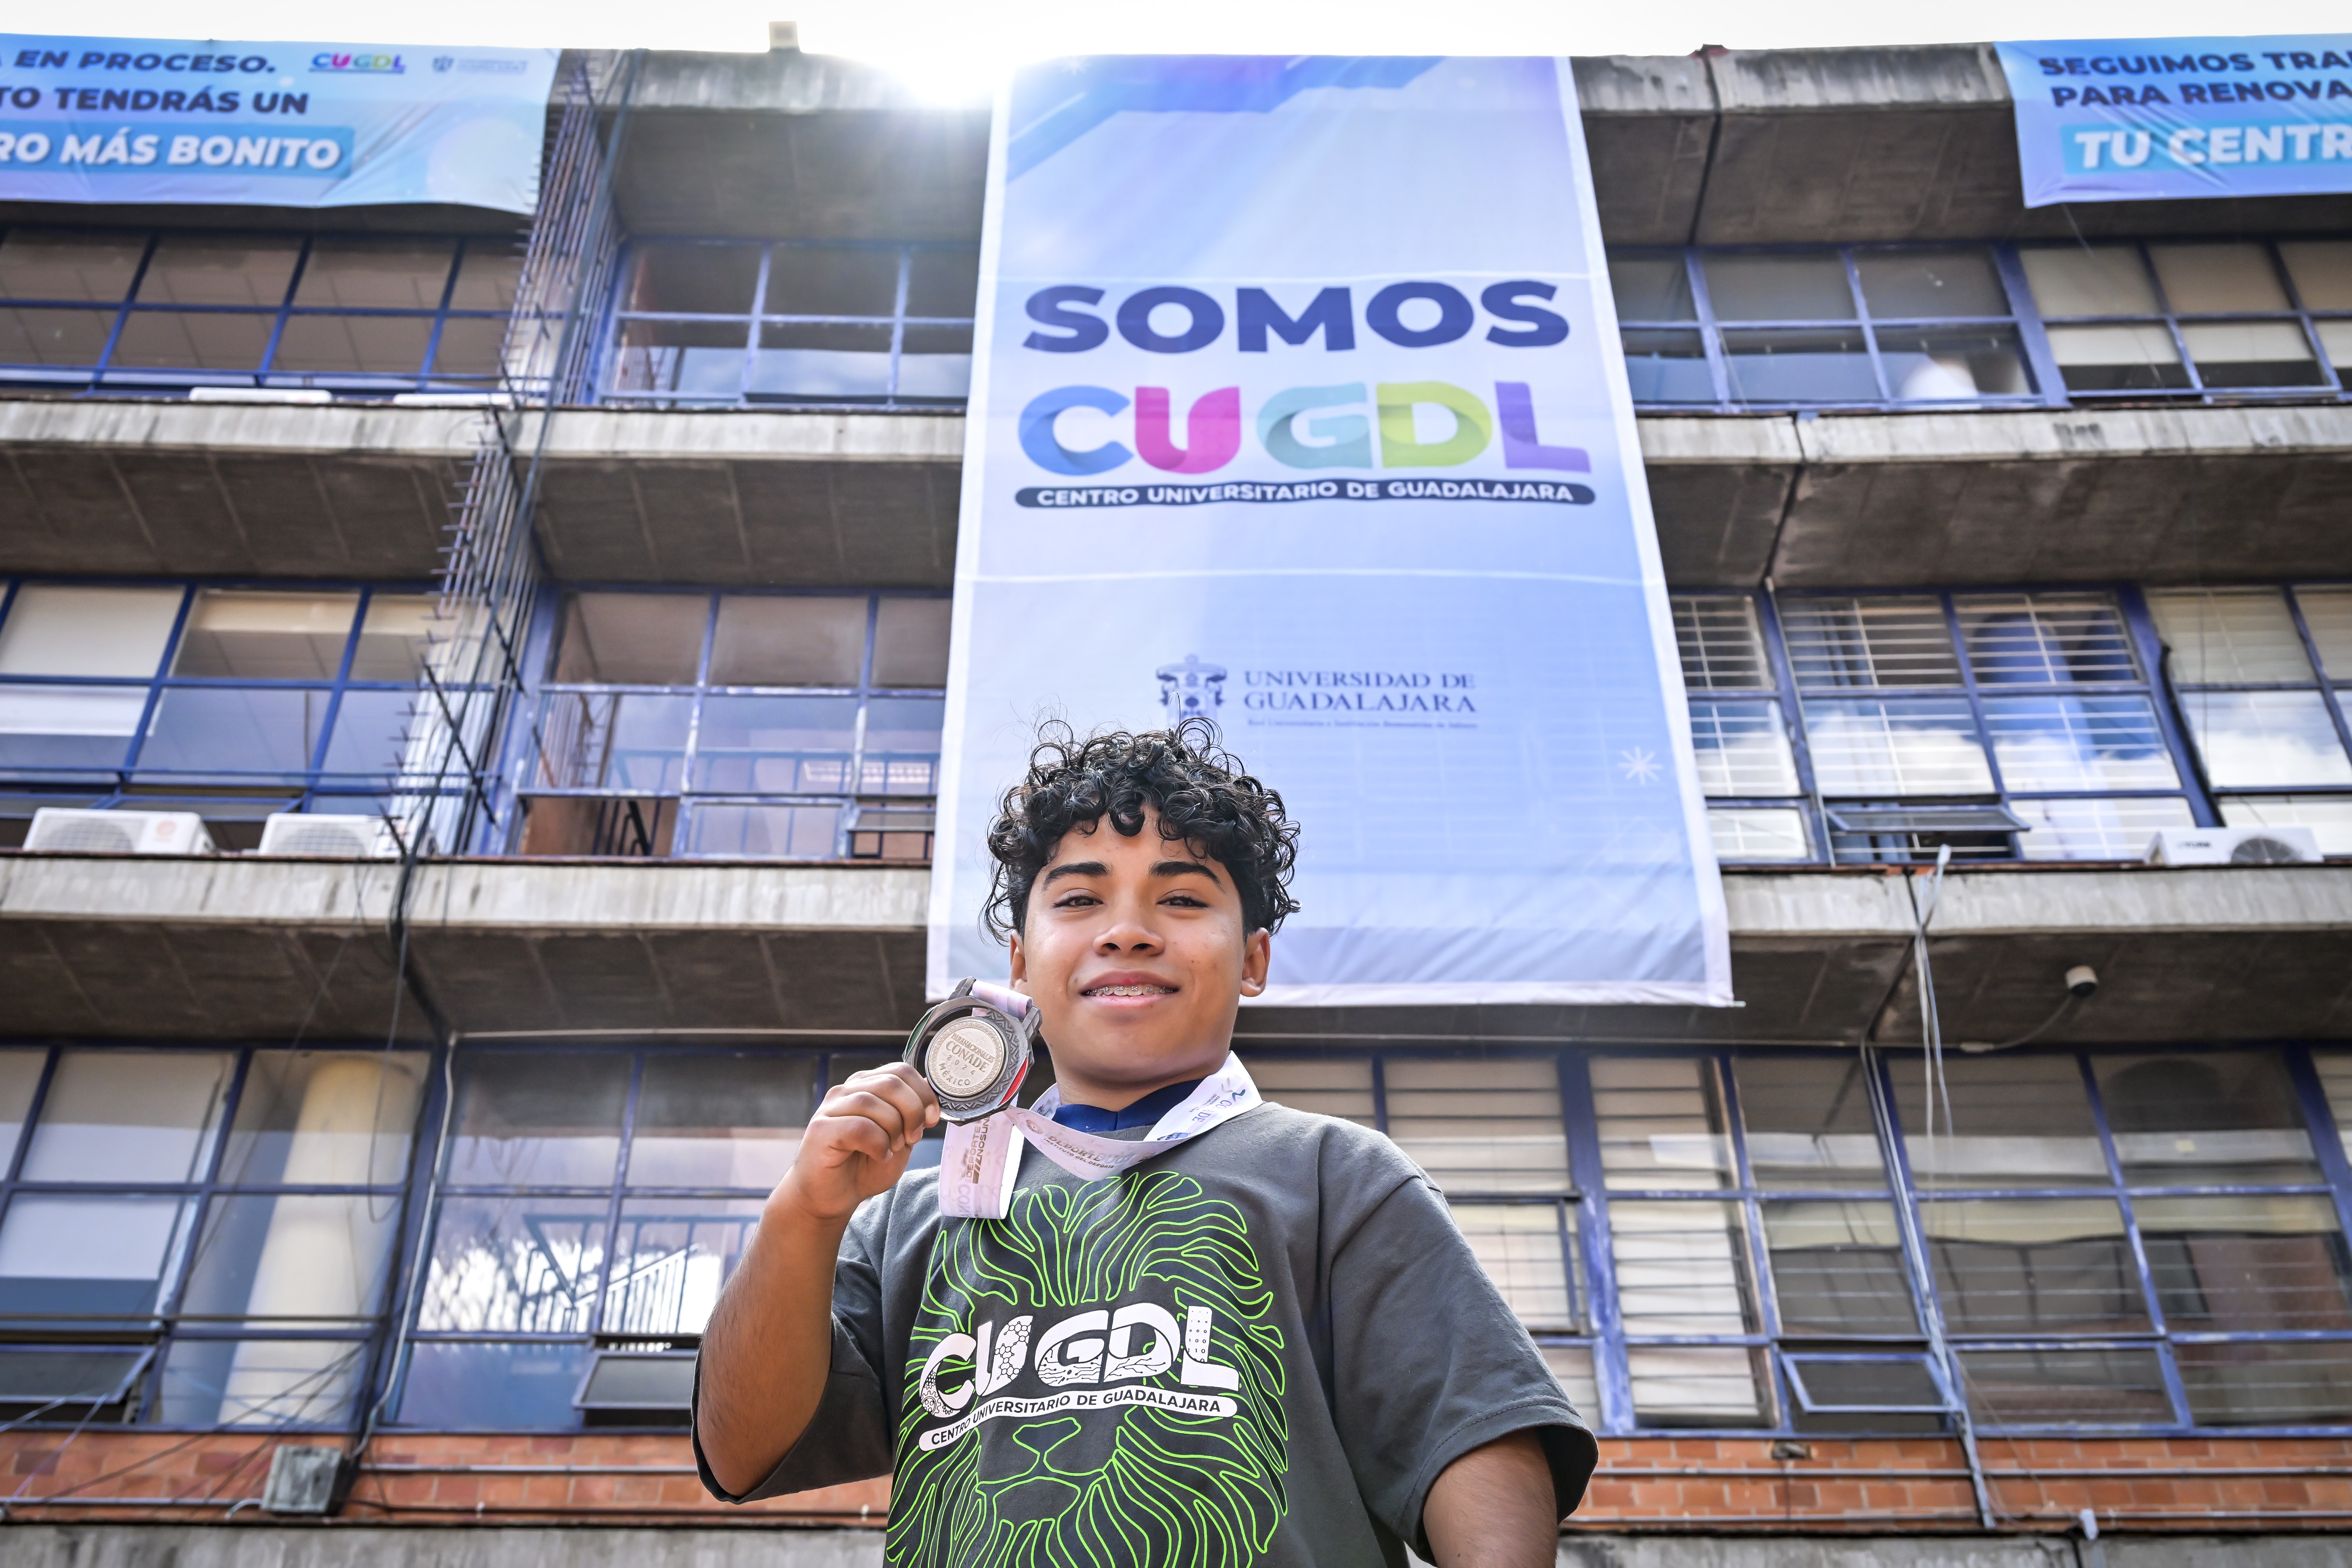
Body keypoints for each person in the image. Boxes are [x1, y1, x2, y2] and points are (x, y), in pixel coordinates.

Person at [695, 720, 1596, 1566]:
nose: (1126, 929)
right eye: (1080, 897)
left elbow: (1474, 1435)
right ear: (1019, 961)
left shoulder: (1339, 1175)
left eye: (1181, 897)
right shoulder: (909, 1215)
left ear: (1253, 959)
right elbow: (739, 1453)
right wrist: (803, 1212)